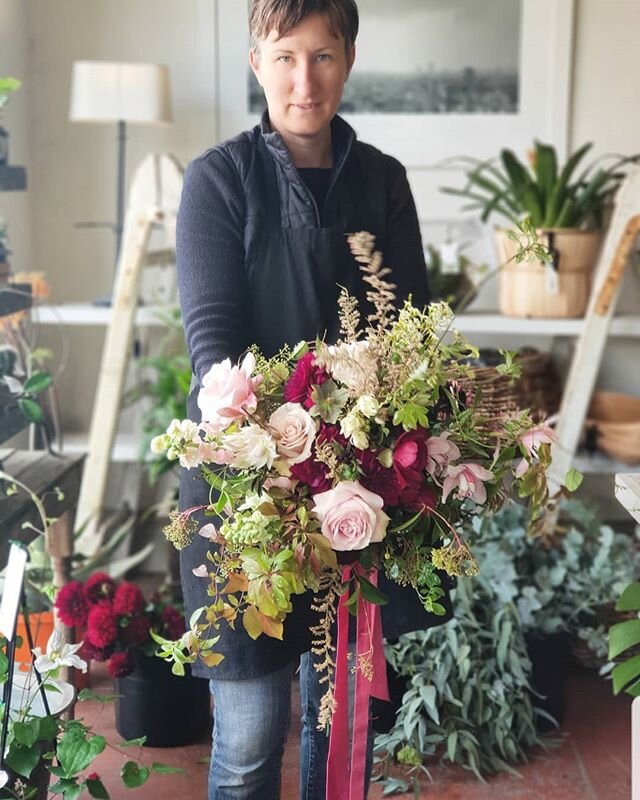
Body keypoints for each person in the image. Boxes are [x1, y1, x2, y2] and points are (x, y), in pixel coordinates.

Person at [176, 2, 449, 797]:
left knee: (344, 743)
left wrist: (371, 449)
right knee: (251, 742)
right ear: (256, 61)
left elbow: (409, 344)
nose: (305, 80)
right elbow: (213, 350)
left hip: (364, 495)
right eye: (286, 57)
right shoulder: (220, 180)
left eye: (323, 56)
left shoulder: (384, 183)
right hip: (246, 500)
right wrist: (291, 449)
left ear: (350, 58)